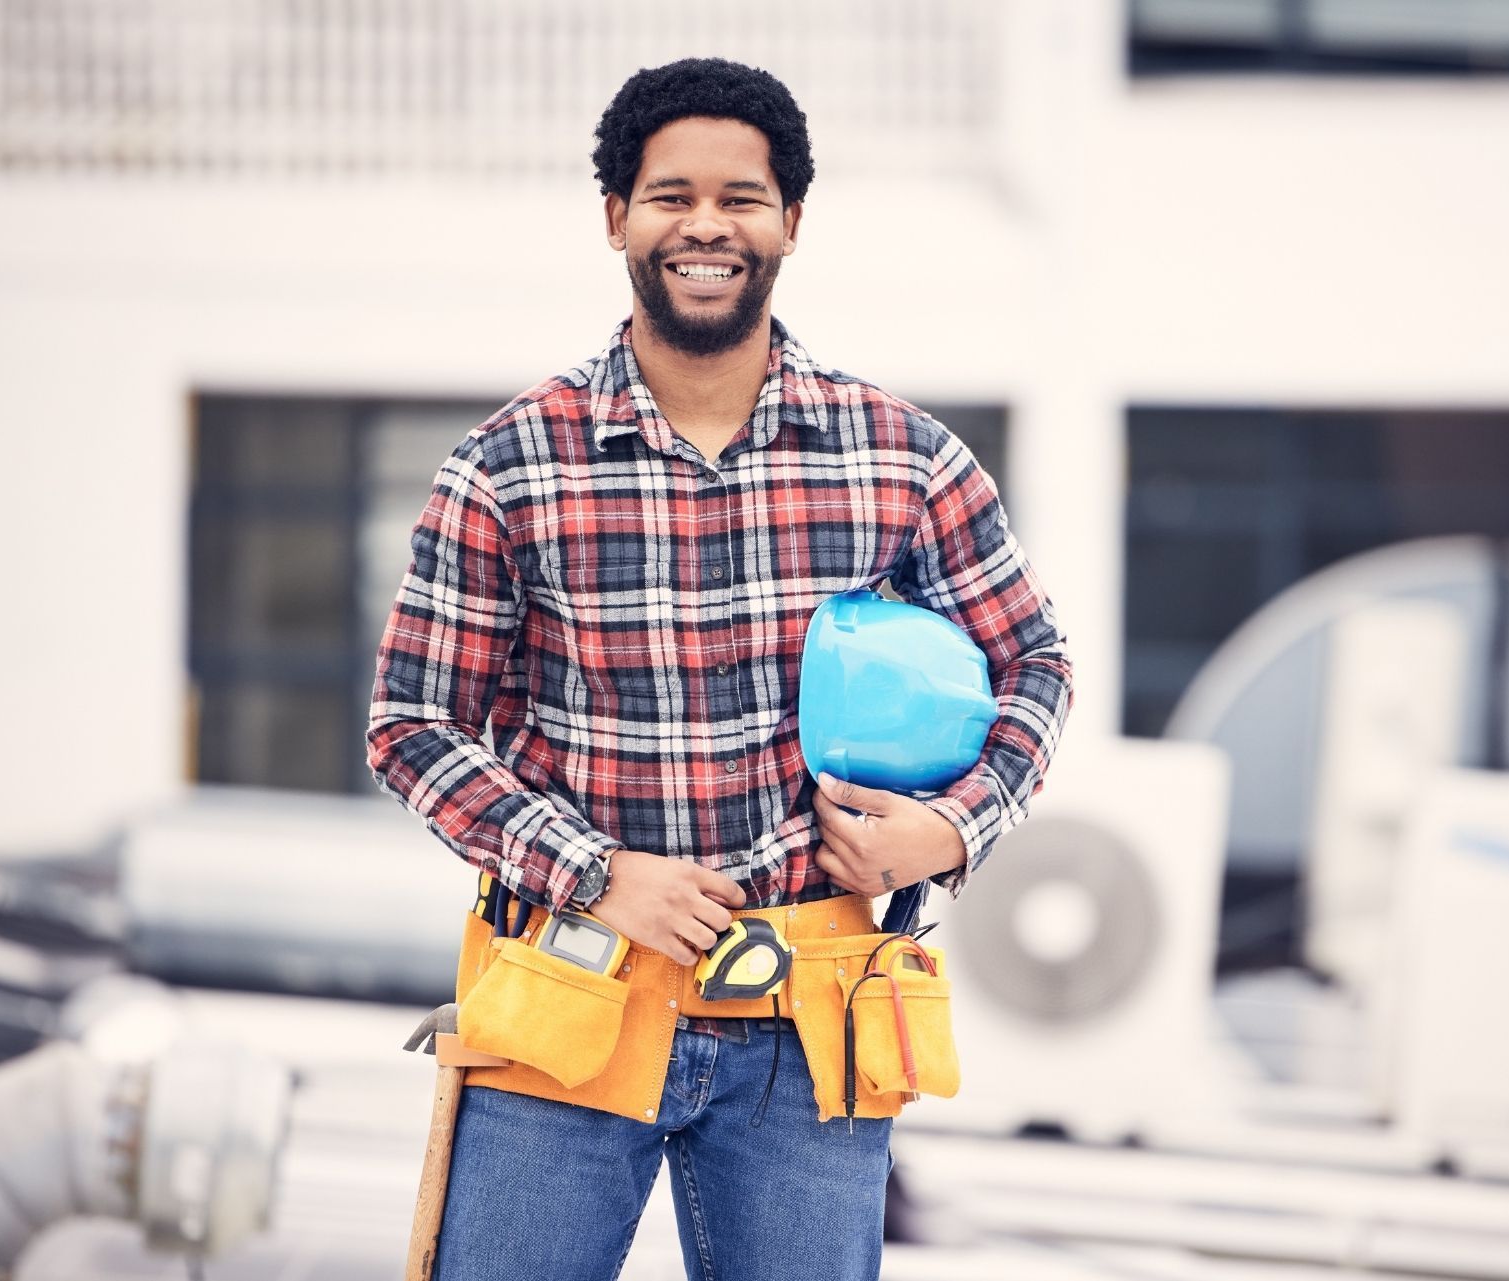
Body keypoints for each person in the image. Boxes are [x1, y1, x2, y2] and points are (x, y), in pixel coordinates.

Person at [365, 57, 1072, 1281]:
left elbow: (1036, 664)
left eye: (741, 198)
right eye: (668, 194)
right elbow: (413, 727)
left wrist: (947, 833)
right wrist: (599, 877)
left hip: (814, 1022)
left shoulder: (903, 458)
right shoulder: (510, 464)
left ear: (791, 222)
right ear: (616, 219)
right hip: (571, 995)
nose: (705, 225)